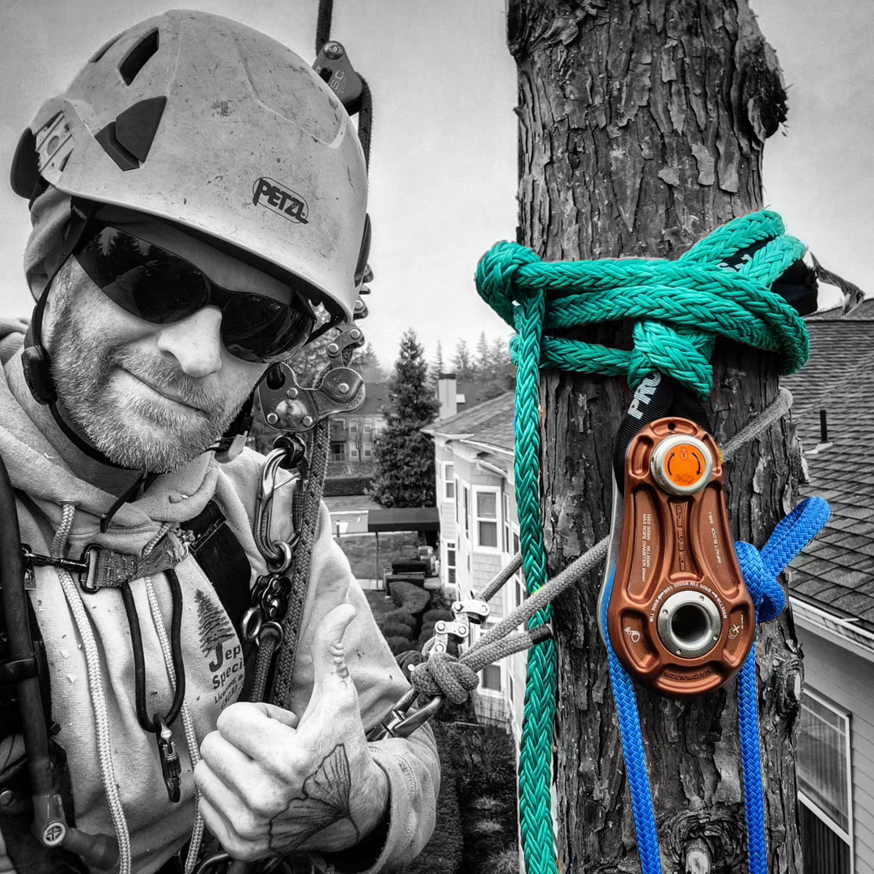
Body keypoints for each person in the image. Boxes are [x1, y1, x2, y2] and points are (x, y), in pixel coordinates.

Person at [0, 10, 438, 874]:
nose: (198, 354)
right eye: (152, 274)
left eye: (257, 320)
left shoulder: (270, 529)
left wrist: (356, 805)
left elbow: (404, 752)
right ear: (56, 251)